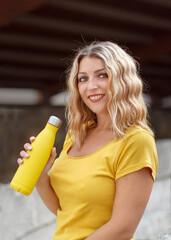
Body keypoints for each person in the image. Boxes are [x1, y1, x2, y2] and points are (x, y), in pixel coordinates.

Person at [18, 41, 158, 240]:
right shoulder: (77, 133)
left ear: (123, 80)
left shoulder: (136, 141)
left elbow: (122, 229)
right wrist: (40, 176)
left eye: (103, 75)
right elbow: (65, 211)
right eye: (82, 79)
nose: (91, 86)